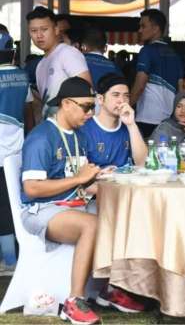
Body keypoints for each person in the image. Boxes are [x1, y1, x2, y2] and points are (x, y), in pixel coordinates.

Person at [21, 77, 101, 324]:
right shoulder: (42, 137)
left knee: (118, 213)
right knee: (92, 225)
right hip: (42, 210)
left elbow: (80, 182)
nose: (91, 113)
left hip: (72, 204)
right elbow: (32, 188)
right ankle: (74, 302)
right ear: (66, 104)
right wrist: (78, 179)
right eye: (87, 107)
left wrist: (98, 181)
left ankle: (112, 289)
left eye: (93, 107)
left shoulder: (79, 135)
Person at [0, 44, 33, 275]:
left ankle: (9, 260)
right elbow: (29, 112)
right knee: (10, 204)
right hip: (16, 150)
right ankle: (12, 256)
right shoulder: (22, 76)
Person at [27, 7, 92, 118]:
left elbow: (87, 92)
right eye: (34, 31)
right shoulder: (40, 65)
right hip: (52, 125)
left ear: (56, 30)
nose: (39, 35)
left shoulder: (67, 53)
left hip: (74, 125)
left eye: (44, 29)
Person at [131, 9, 184, 138]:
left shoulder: (147, 51)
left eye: (143, 26)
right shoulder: (176, 55)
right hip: (169, 120)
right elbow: (181, 90)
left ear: (155, 29)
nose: (139, 30)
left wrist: (126, 106)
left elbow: (140, 86)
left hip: (147, 117)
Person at [80, 74, 147, 168]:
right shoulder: (84, 129)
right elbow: (78, 172)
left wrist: (131, 125)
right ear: (100, 99)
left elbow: (143, 164)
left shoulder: (131, 127)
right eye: (116, 95)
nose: (122, 100)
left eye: (126, 96)